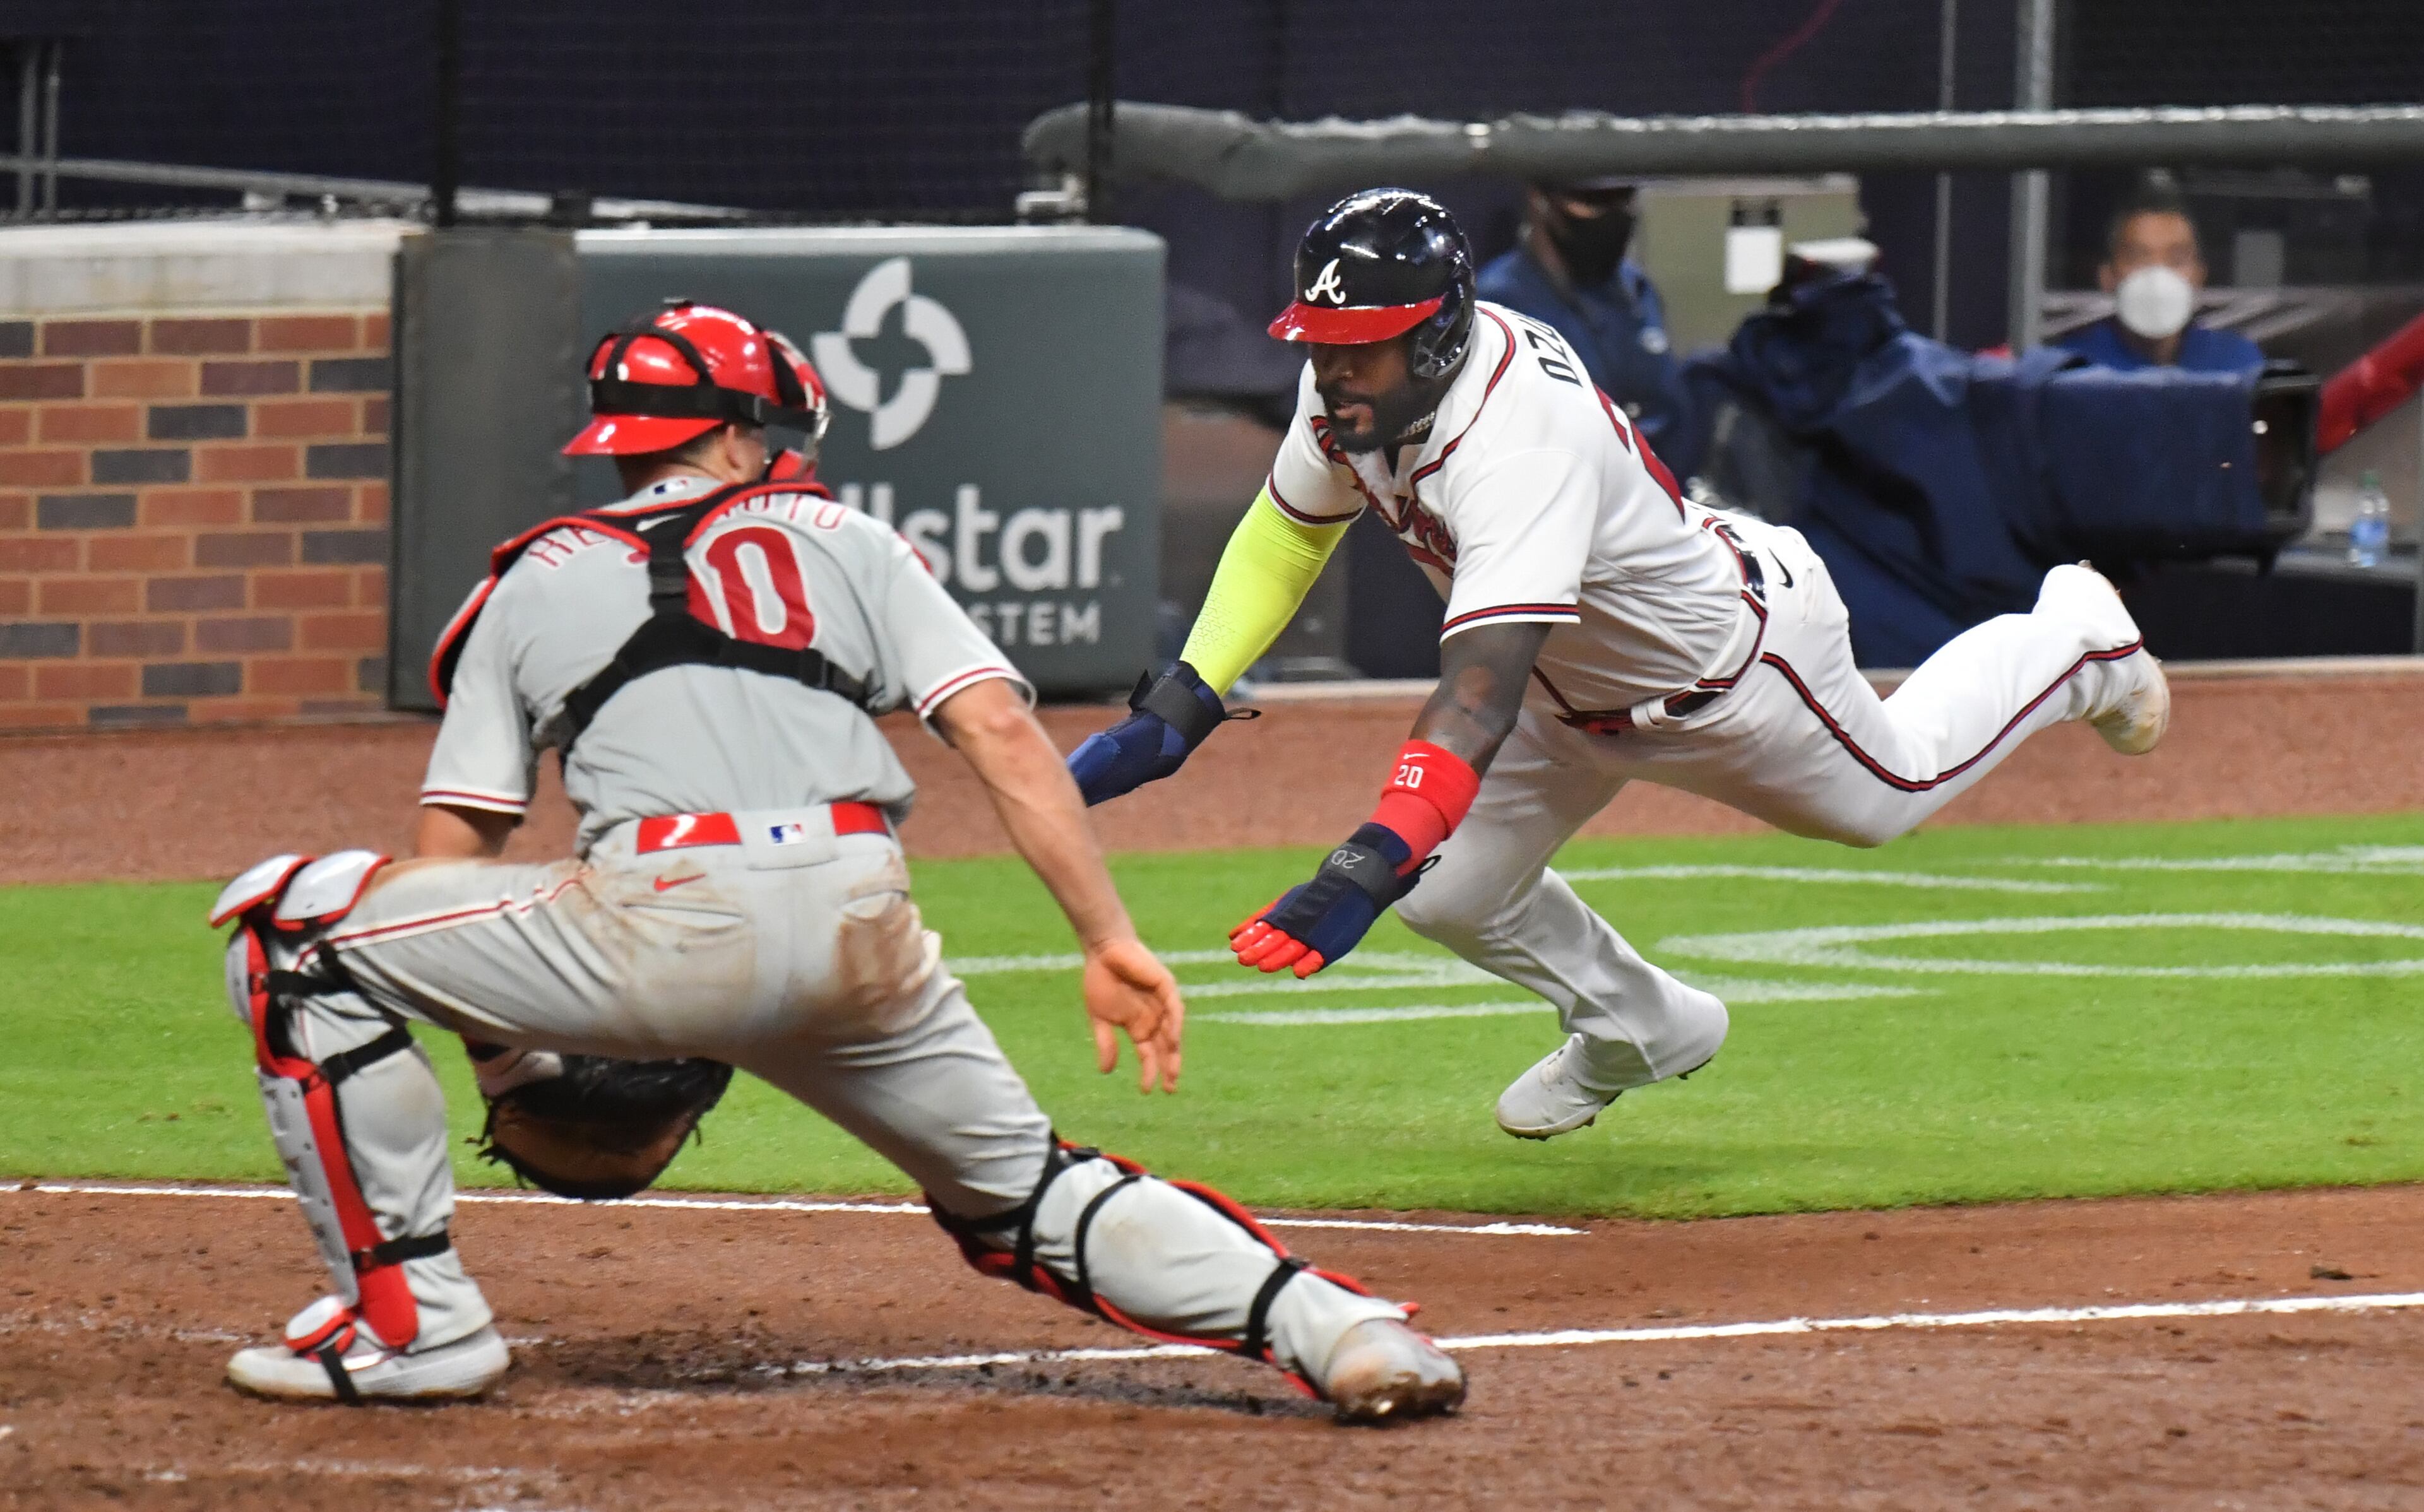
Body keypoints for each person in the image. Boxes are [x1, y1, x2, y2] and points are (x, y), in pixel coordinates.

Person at [206, 300, 1463, 1421]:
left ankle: (412, 1324)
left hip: (653, 923)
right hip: (865, 918)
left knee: (289, 931)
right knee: (1026, 1192)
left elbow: (454, 850)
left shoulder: (533, 575)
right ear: (748, 437)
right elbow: (1002, 738)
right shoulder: (848, 538)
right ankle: (1342, 1329)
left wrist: (506, 1051)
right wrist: (1106, 938)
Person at [1069, 190, 2171, 1142]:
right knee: (1448, 896)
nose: (1332, 366)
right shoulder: (1355, 382)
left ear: (1439, 335)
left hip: (1729, 675)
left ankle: (2078, 639)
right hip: (1566, 695)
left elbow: (1477, 690)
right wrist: (1184, 700)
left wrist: (1365, 856)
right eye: (1321, 339)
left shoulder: (1517, 437)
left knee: (1893, 797)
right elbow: (1288, 532)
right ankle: (1642, 1025)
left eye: (1363, 342)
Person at [1476, 177, 1704, 479]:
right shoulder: (1498, 303)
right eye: (1595, 202)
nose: (1613, 216)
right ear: (1541, 202)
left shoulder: (1636, 290)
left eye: (1623, 198)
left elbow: (1671, 420)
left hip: (1659, 505)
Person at [2057, 179, 2265, 375]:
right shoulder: (2074, 368)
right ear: (2107, 277)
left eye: (2177, 260)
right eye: (2139, 258)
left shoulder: (2237, 363)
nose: (2158, 275)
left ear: (2200, 276)